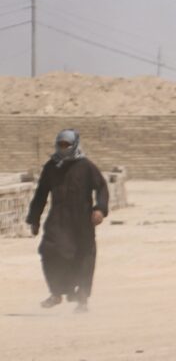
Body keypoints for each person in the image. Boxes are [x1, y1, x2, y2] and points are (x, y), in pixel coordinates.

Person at [26, 129, 110, 311]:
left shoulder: (86, 166)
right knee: (48, 251)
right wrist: (34, 219)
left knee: (84, 256)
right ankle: (57, 292)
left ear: (75, 145)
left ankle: (82, 299)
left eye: (67, 145)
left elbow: (102, 187)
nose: (63, 148)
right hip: (58, 219)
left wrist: (100, 209)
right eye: (61, 144)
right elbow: (41, 193)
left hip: (81, 219)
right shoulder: (51, 167)